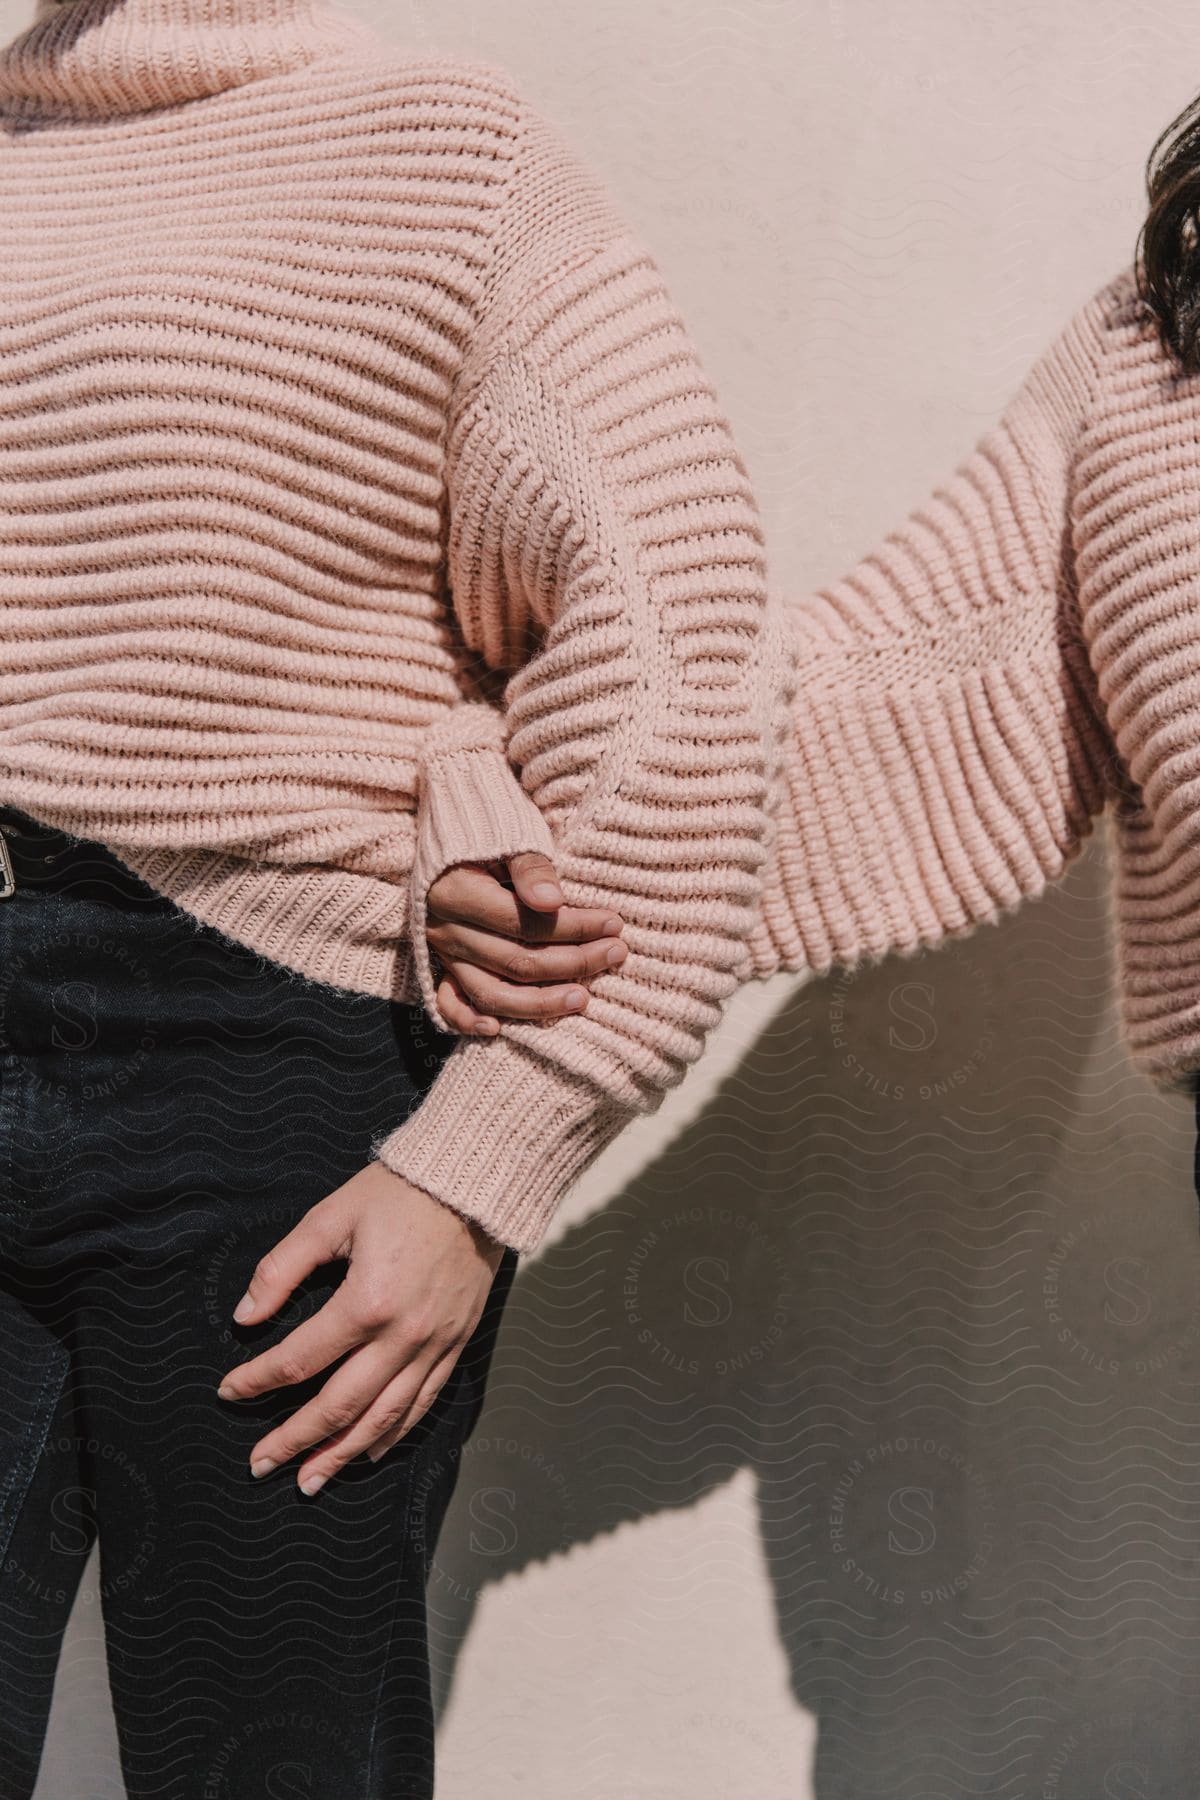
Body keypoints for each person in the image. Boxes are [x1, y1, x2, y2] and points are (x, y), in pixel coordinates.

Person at [0, 1, 783, 1795]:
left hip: (260, 1063)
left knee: (273, 1761)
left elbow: (673, 644)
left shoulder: (445, 147)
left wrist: (480, 1163)